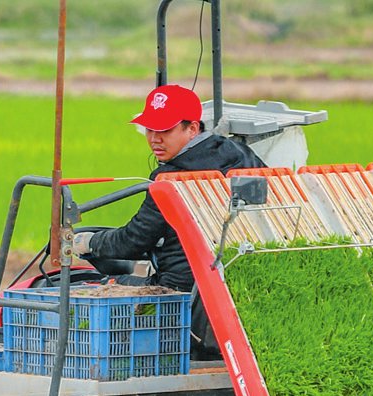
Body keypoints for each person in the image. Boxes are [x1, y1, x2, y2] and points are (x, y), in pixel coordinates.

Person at [71, 84, 264, 293]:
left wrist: (89, 242)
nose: (155, 139)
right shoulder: (241, 153)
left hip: (180, 288)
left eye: (164, 130)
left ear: (192, 129)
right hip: (241, 277)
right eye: (149, 129)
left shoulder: (169, 179)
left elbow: (133, 241)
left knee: (88, 286)